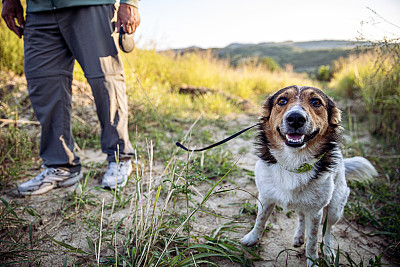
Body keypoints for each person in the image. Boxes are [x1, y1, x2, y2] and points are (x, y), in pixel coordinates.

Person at [1, 0, 141, 195]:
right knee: (44, 85)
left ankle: (120, 157)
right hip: (39, 11)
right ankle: (61, 165)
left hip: (91, 4)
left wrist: (130, 1)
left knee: (106, 82)